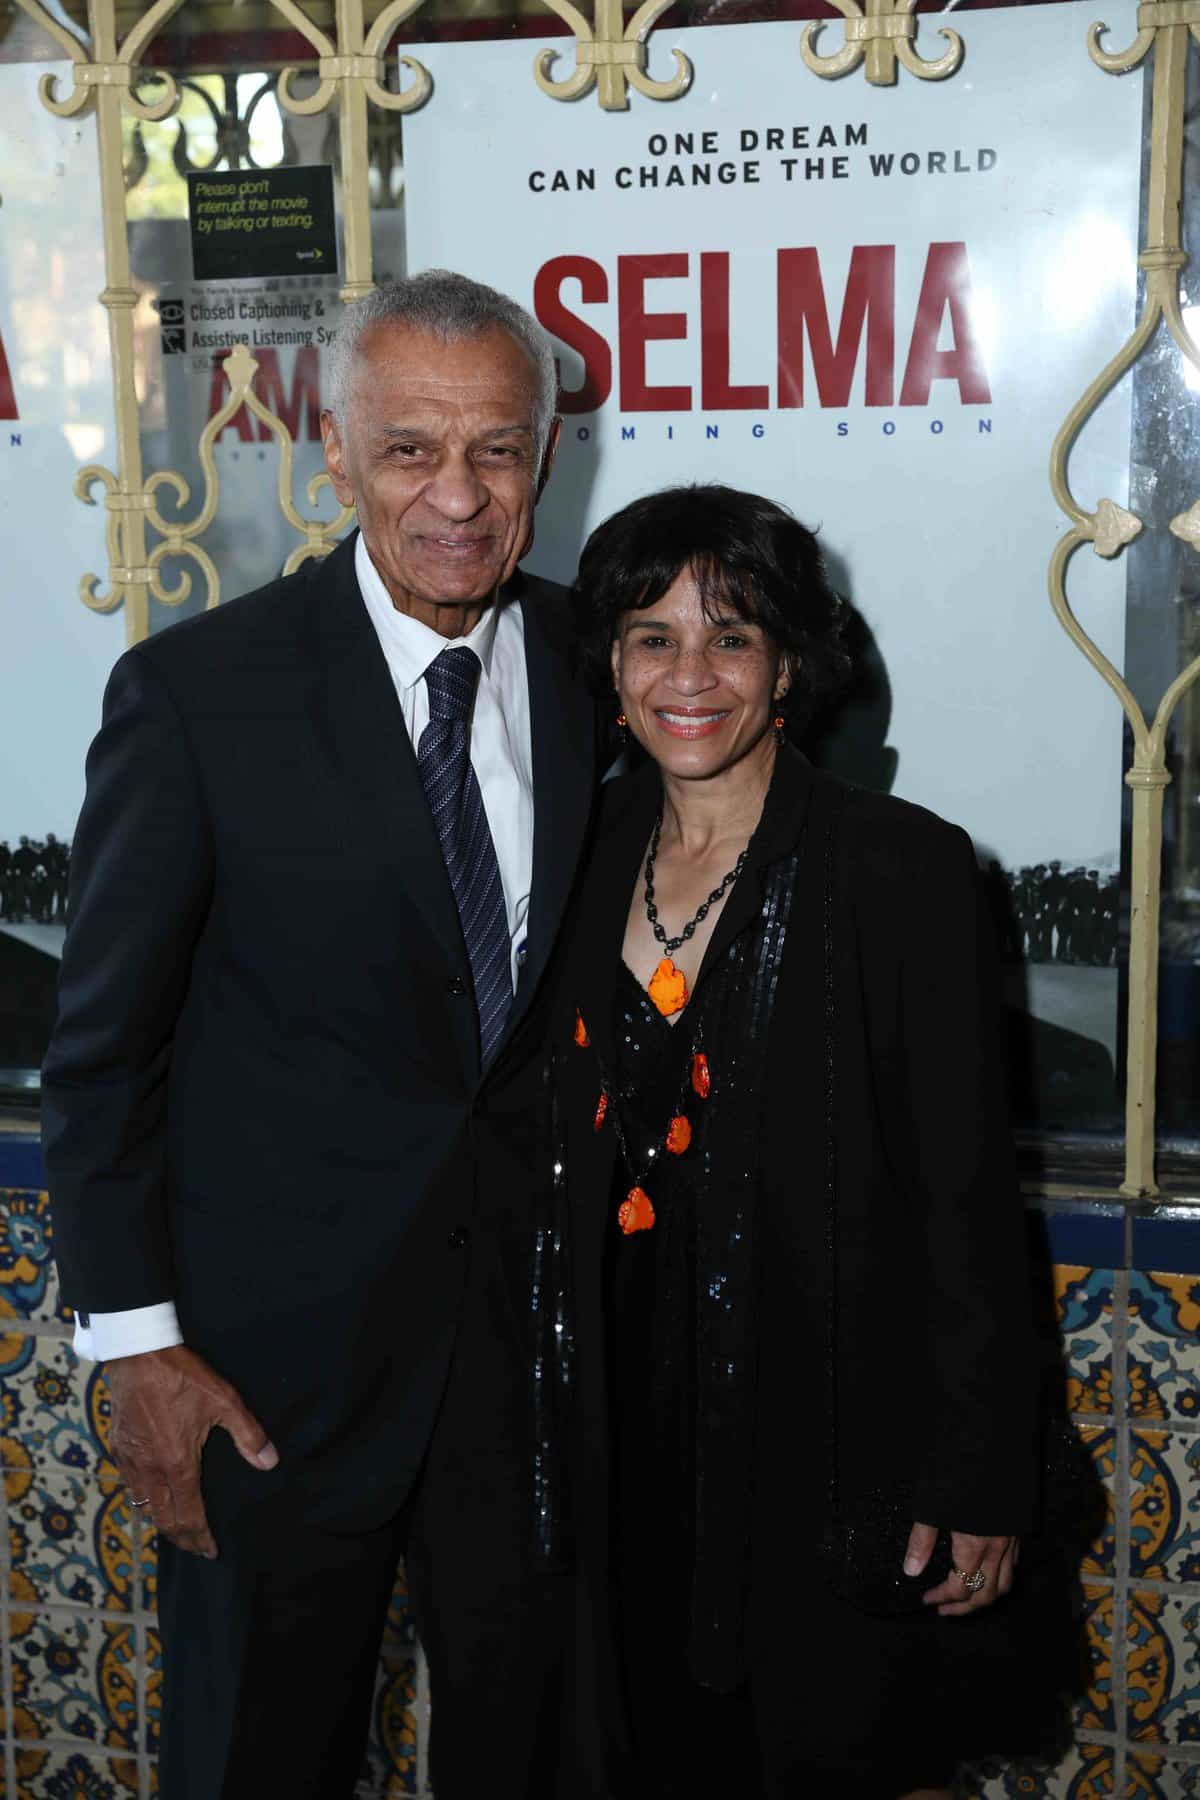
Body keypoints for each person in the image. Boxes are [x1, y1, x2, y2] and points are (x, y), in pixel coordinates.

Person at [41, 271, 602, 1799]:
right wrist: (140, 1352)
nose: (457, 496)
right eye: (411, 448)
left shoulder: (602, 670)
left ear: (546, 457)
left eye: (496, 449)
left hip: (539, 1380)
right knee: (257, 1765)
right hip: (267, 1390)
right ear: (336, 452)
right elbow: (102, 1059)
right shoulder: (199, 694)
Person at [544, 484, 1062, 1798]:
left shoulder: (900, 868)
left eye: (732, 636)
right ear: (611, 665)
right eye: (653, 638)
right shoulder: (576, 854)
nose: (690, 676)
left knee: (845, 1750)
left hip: (833, 1430)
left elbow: (966, 1201)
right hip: (617, 1426)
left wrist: (980, 1474)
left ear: (789, 666)